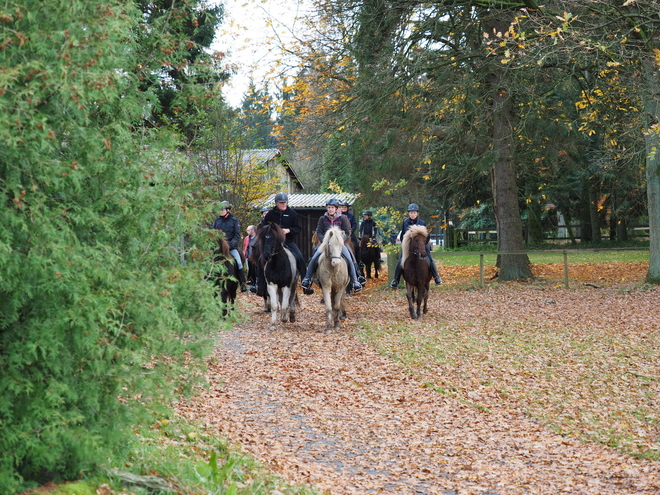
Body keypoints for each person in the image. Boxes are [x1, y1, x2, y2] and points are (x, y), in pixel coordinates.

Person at [301, 198, 363, 294]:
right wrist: (324, 241)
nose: (330, 209)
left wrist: (341, 240)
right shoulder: (322, 218)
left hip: (340, 244)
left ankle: (355, 281)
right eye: (329, 207)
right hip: (326, 244)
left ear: (336, 208)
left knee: (350, 258)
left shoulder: (343, 218)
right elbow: (319, 232)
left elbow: (347, 232)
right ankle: (307, 279)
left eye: (332, 207)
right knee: (314, 257)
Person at [257, 192, 306, 285]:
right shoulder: (270, 214)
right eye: (281, 202)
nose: (284, 204)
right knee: (260, 259)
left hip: (288, 241)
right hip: (272, 243)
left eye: (285, 202)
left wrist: (288, 230)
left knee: (300, 257)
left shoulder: (292, 214)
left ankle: (305, 282)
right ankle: (259, 283)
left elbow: (298, 228)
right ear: (276, 203)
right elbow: (264, 228)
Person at [389, 203, 442, 288]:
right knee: (400, 260)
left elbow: (426, 236)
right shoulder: (405, 222)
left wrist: (423, 245)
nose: (412, 214)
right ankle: (396, 280)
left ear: (417, 213)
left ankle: (436, 277)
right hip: (409, 246)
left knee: (429, 258)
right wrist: (404, 245)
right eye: (411, 213)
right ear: (408, 213)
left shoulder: (422, 222)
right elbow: (403, 235)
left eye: (414, 213)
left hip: (421, 245)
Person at [212, 201, 247, 292]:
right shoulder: (217, 221)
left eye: (222, 209)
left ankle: (243, 283)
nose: (221, 211)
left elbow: (237, 235)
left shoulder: (234, 221)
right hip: (218, 248)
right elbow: (212, 233)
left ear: (227, 210)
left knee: (238, 262)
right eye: (220, 210)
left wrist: (230, 245)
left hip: (230, 248)